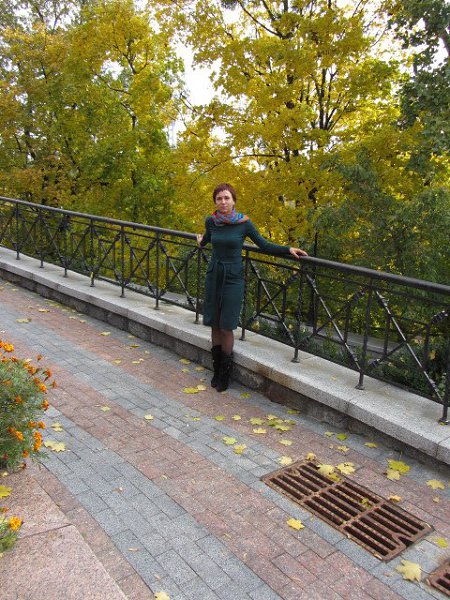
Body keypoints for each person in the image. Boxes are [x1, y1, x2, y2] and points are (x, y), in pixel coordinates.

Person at [196, 183, 308, 392]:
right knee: (214, 324)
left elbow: (264, 245)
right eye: (219, 198)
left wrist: (288, 249)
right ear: (215, 202)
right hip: (214, 277)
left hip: (233, 279)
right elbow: (207, 239)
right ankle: (216, 370)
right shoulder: (211, 221)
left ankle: (225, 375)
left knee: (226, 326)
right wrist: (200, 241)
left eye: (227, 198)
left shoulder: (244, 223)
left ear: (233, 201)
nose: (223, 202)